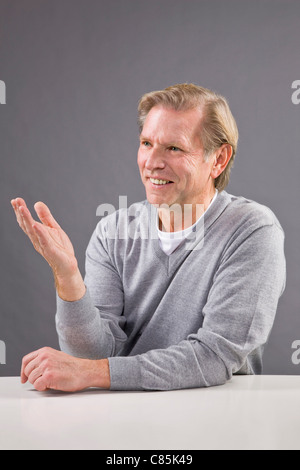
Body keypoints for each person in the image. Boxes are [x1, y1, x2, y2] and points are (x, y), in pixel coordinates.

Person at [11, 83, 286, 392]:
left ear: (219, 159)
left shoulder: (252, 231)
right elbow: (93, 356)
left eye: (174, 148)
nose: (152, 161)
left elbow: (214, 356)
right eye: (146, 143)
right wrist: (68, 277)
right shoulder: (112, 231)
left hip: (216, 416)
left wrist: (97, 373)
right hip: (125, 415)